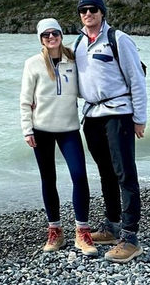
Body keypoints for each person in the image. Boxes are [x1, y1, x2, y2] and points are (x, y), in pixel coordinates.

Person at [74, 0, 147, 263]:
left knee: (125, 173)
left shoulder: (119, 39)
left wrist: (139, 118)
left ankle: (130, 236)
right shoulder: (79, 43)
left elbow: (137, 80)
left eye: (93, 9)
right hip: (92, 116)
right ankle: (112, 224)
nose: (88, 14)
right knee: (105, 172)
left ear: (102, 12)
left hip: (119, 114)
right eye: (83, 10)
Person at [20, 18, 97, 256]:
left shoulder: (74, 59)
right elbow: (25, 100)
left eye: (55, 33)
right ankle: (55, 230)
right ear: (40, 39)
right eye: (46, 35)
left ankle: (82, 231)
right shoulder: (32, 64)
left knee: (79, 176)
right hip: (41, 129)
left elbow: (93, 80)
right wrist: (27, 129)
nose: (51, 37)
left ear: (61, 35)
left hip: (69, 129)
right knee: (48, 179)